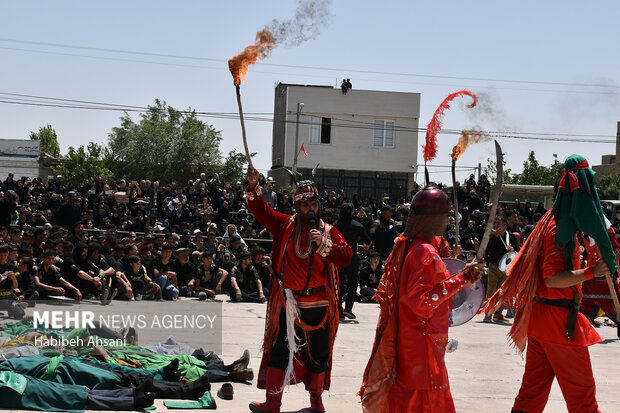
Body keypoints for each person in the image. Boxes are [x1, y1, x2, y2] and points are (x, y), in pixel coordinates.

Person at [485, 155, 616, 413]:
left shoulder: (550, 221)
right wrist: (592, 272)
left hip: (540, 321)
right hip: (558, 323)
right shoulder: (559, 228)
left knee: (531, 396)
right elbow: (553, 279)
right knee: (583, 398)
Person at [359, 186, 483, 413]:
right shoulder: (425, 252)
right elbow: (422, 303)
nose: (447, 222)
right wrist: (462, 279)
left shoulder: (411, 246)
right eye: (445, 216)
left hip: (413, 344)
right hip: (422, 347)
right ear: (431, 219)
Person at [245, 168, 352, 413]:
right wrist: (254, 186)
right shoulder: (284, 225)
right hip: (288, 302)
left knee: (318, 354)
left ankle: (316, 401)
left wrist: (325, 246)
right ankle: (272, 404)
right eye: (306, 205)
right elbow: (260, 210)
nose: (311, 209)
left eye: (314, 204)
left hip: (319, 305)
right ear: (297, 207)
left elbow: (346, 257)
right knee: (280, 351)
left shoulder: (328, 231)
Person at [334, 202, 370, 319]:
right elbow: (367, 241)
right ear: (353, 212)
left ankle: (339, 310)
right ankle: (348, 308)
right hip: (351, 257)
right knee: (353, 283)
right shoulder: (357, 226)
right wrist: (364, 244)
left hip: (338, 257)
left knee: (338, 285)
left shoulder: (334, 226)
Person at [483, 215, 520, 322]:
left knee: (503, 292)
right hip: (494, 266)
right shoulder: (492, 237)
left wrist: (512, 249)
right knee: (491, 291)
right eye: (496, 223)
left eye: (499, 223)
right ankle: (488, 313)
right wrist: (493, 237)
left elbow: (518, 251)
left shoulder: (511, 237)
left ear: (505, 225)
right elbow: (487, 250)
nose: (496, 225)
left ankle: (498, 313)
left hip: (506, 268)